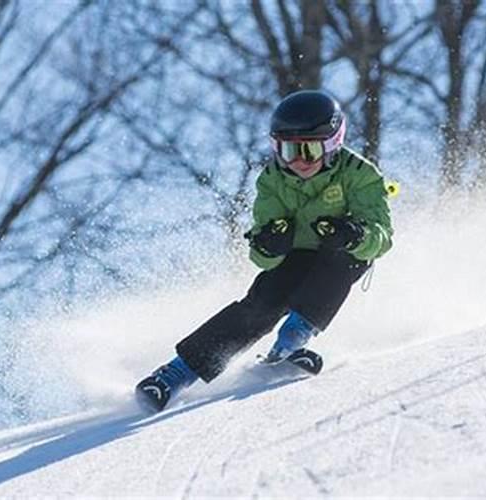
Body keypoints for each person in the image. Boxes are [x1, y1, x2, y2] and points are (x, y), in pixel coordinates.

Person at [135, 89, 394, 411]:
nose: (298, 161)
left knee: (342, 262)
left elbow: (382, 237)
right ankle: (175, 375)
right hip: (296, 255)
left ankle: (291, 342)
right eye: (287, 151)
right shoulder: (272, 180)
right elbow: (261, 256)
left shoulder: (360, 174)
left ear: (332, 144)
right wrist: (269, 244)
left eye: (309, 151)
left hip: (342, 253)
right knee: (264, 301)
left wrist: (355, 234)